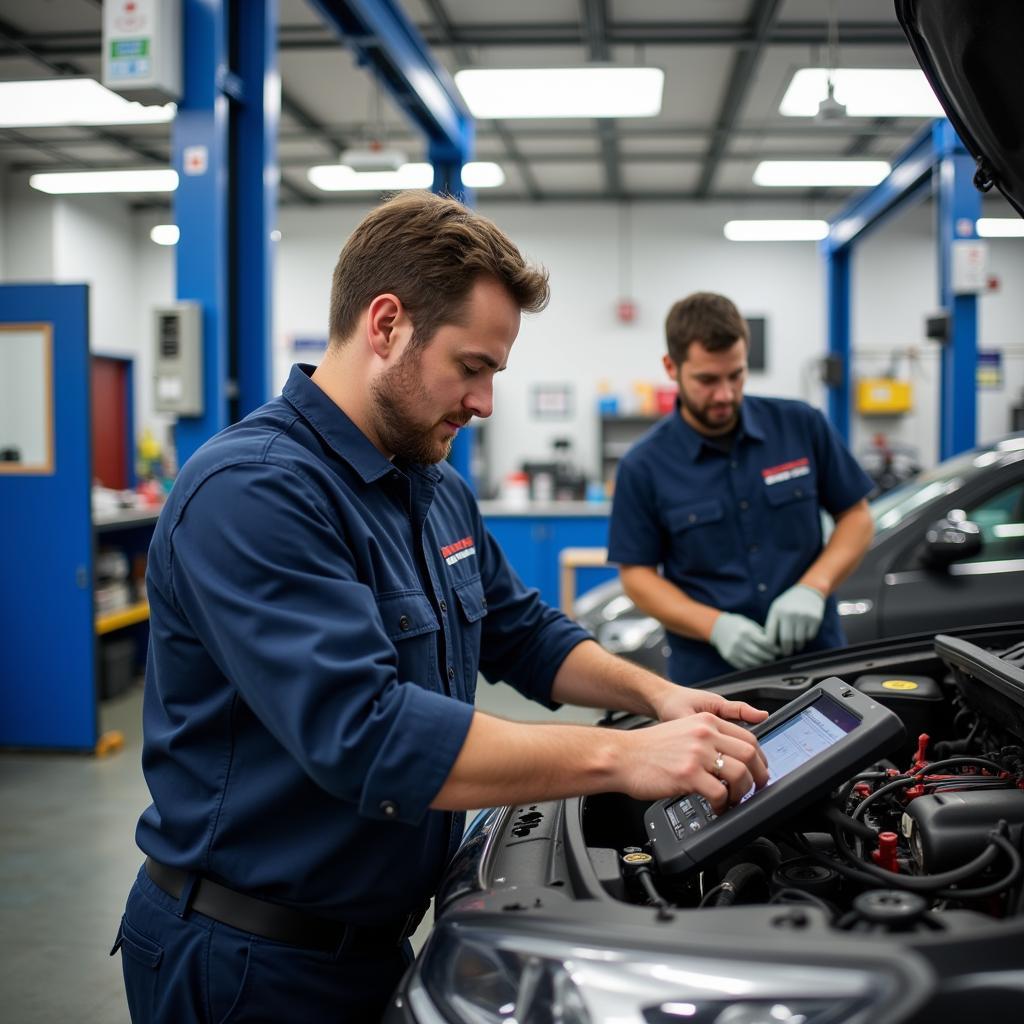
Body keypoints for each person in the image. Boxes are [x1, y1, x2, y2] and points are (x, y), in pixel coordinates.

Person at [112, 194, 769, 1023]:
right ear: (385, 325)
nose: (485, 402)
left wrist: (657, 697)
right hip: (248, 962)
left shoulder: (432, 484)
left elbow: (521, 632)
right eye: (472, 367)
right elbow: (368, 735)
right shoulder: (254, 491)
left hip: (375, 948)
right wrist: (620, 760)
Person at [608, 291, 875, 687]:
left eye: (736, 375)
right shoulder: (643, 466)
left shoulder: (801, 425)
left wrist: (813, 588)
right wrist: (714, 625)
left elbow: (856, 518)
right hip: (711, 678)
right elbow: (638, 576)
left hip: (816, 663)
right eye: (707, 380)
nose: (725, 395)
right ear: (671, 367)